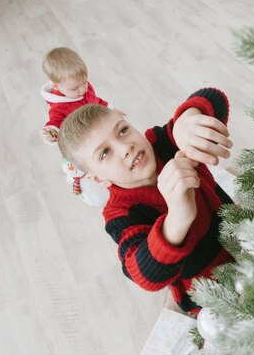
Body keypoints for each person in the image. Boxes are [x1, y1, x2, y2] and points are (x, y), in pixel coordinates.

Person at [58, 88, 234, 312]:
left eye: (122, 131)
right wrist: (177, 220)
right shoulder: (120, 215)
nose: (125, 148)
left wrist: (188, 121)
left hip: (244, 235)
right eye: (105, 153)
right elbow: (143, 275)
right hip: (212, 293)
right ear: (98, 179)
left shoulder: (161, 143)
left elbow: (215, 99)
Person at [39, 47, 111, 206]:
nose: (83, 89)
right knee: (82, 167)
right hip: (79, 143)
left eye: (84, 82)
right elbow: (55, 123)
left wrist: (108, 110)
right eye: (75, 88)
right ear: (56, 86)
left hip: (96, 132)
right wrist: (50, 132)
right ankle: (79, 180)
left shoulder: (83, 88)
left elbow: (95, 101)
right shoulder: (59, 108)